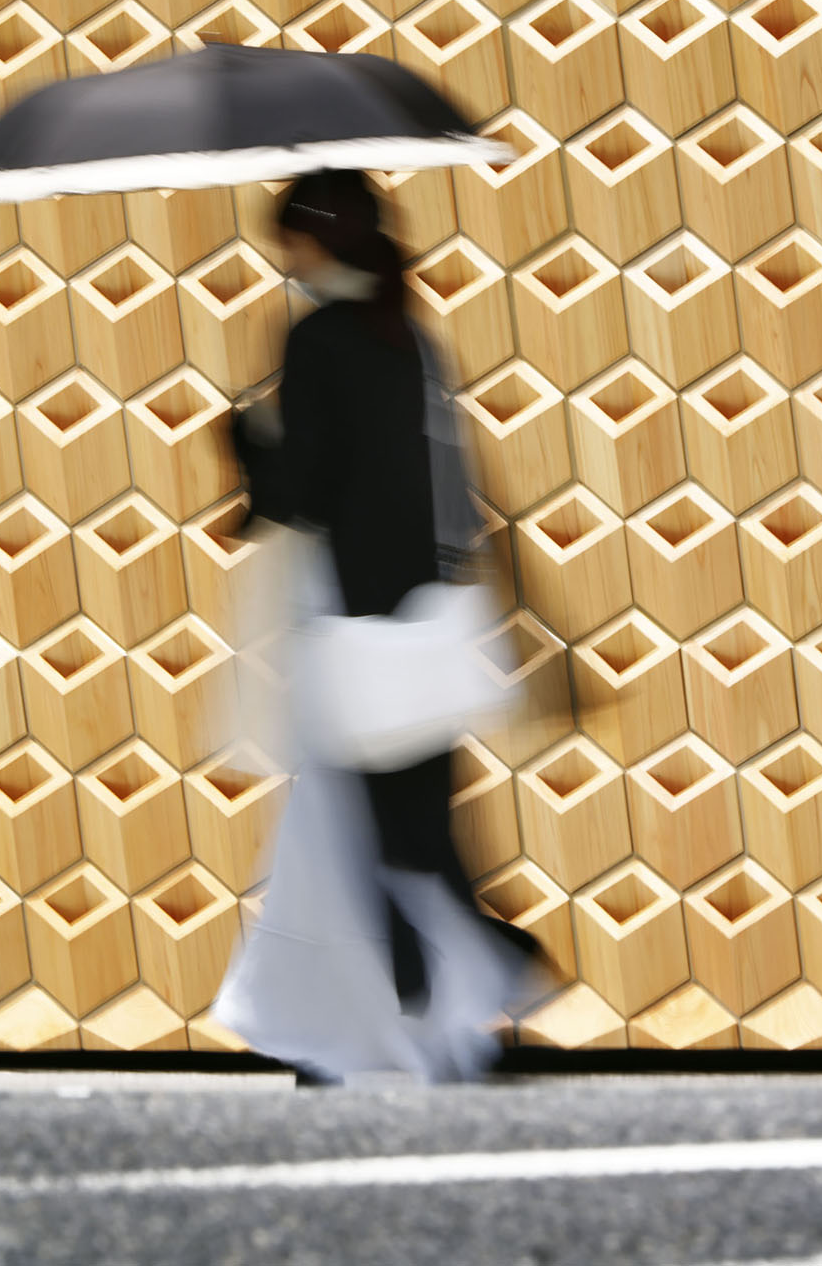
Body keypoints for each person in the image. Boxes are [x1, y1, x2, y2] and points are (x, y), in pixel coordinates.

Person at [212, 169, 541, 1083]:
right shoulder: (409, 336)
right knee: (410, 820)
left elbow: (305, 491)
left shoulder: (319, 337)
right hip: (421, 619)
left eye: (291, 239)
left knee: (364, 826)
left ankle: (411, 1001)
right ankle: (437, 1006)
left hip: (346, 620)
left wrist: (244, 438)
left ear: (316, 241)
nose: (287, 257)